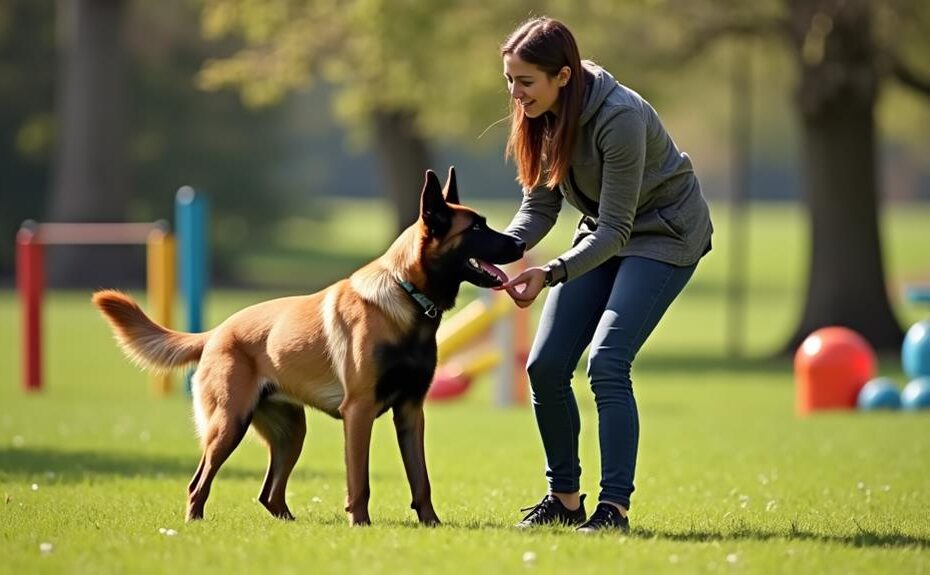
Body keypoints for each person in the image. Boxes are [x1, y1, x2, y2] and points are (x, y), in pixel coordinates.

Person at [496, 17, 713, 533]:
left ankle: (613, 510)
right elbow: (540, 208)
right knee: (545, 366)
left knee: (608, 362)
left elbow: (616, 231)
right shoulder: (542, 113)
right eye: (509, 79)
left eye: (525, 81)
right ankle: (565, 500)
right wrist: (497, 250)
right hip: (605, 232)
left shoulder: (620, 117)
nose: (514, 92)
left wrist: (549, 272)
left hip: (663, 234)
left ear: (563, 76)